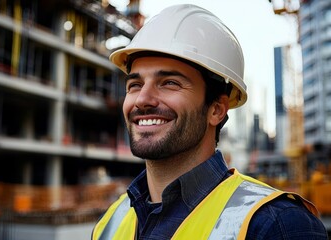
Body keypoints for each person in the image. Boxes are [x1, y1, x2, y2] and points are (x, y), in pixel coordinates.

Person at [92, 4, 328, 239]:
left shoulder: (277, 226)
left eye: (170, 83)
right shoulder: (109, 223)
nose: (142, 99)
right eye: (135, 85)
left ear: (216, 110)